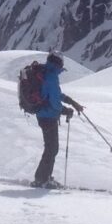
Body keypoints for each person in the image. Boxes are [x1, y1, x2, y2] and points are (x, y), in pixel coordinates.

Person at [32, 52, 83, 188]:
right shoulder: (51, 76)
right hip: (48, 117)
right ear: (58, 63)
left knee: (50, 148)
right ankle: (42, 179)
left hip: (43, 115)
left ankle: (43, 177)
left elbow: (54, 94)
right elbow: (54, 102)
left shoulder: (46, 72)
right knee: (52, 148)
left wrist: (70, 101)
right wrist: (66, 110)